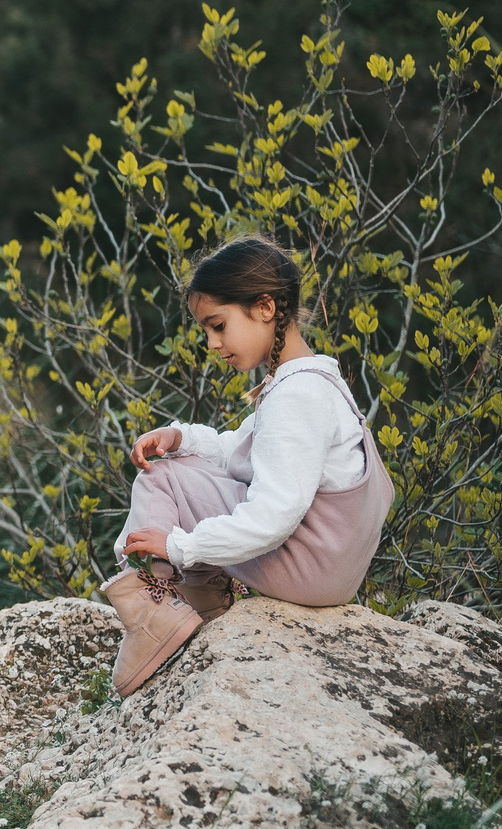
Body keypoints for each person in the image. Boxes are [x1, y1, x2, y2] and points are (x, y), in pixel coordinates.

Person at [105, 234, 394, 695]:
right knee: (178, 464)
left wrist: (179, 546)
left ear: (264, 308)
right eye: (206, 330)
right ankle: (202, 600)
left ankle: (151, 612)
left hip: (308, 567)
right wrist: (181, 436)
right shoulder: (310, 381)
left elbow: (275, 514)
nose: (211, 343)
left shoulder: (296, 398)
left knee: (162, 477)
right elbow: (237, 453)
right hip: (329, 566)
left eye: (218, 325)